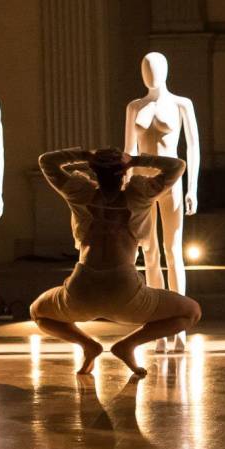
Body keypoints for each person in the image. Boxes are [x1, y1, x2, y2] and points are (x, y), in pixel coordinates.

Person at [31, 148, 202, 376]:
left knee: (37, 312)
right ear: (123, 173)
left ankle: (88, 345)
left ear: (94, 171)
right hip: (125, 291)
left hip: (82, 287)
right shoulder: (139, 196)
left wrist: (85, 155)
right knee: (192, 312)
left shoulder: (78, 193)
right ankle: (128, 344)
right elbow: (177, 165)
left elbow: (46, 160)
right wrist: (134, 161)